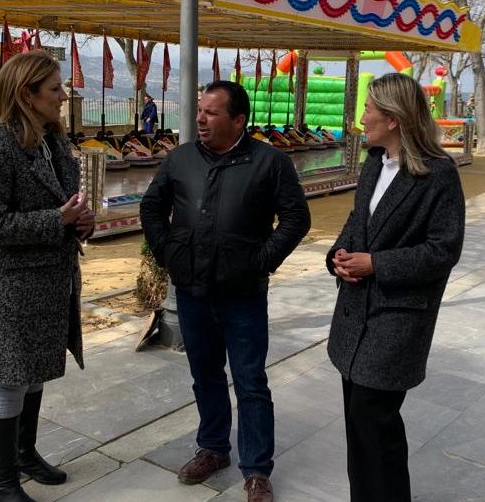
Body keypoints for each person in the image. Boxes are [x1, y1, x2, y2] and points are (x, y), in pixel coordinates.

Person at [139, 80, 311, 502]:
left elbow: (295, 220)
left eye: (211, 112)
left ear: (238, 120)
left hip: (243, 296)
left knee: (250, 381)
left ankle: (257, 470)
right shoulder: (180, 159)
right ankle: (213, 449)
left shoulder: (269, 162)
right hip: (193, 291)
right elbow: (151, 208)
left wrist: (260, 260)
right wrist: (168, 253)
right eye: (199, 110)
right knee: (205, 376)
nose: (200, 118)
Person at [326, 73, 465, 502]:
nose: (361, 117)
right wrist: (338, 257)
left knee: (376, 428)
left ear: (392, 117)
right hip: (355, 317)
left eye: (368, 109)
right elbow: (357, 223)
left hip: (396, 321)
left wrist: (377, 265)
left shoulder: (438, 175)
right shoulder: (373, 163)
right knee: (358, 429)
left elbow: (443, 250)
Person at [0, 50, 95, 502]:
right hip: (13, 287)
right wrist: (57, 220)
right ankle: (1, 483)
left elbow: (69, 206)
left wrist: (82, 221)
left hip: (51, 281)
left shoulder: (53, 140)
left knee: (36, 372)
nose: (64, 96)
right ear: (27, 93)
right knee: (10, 379)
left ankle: (25, 454)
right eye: (55, 88)